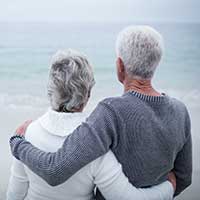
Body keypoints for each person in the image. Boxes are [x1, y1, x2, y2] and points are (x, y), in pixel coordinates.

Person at [10, 26, 192, 199]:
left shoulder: (111, 112)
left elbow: (55, 170)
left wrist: (18, 143)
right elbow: (183, 178)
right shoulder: (180, 111)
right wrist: (167, 189)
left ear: (120, 66)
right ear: (156, 64)